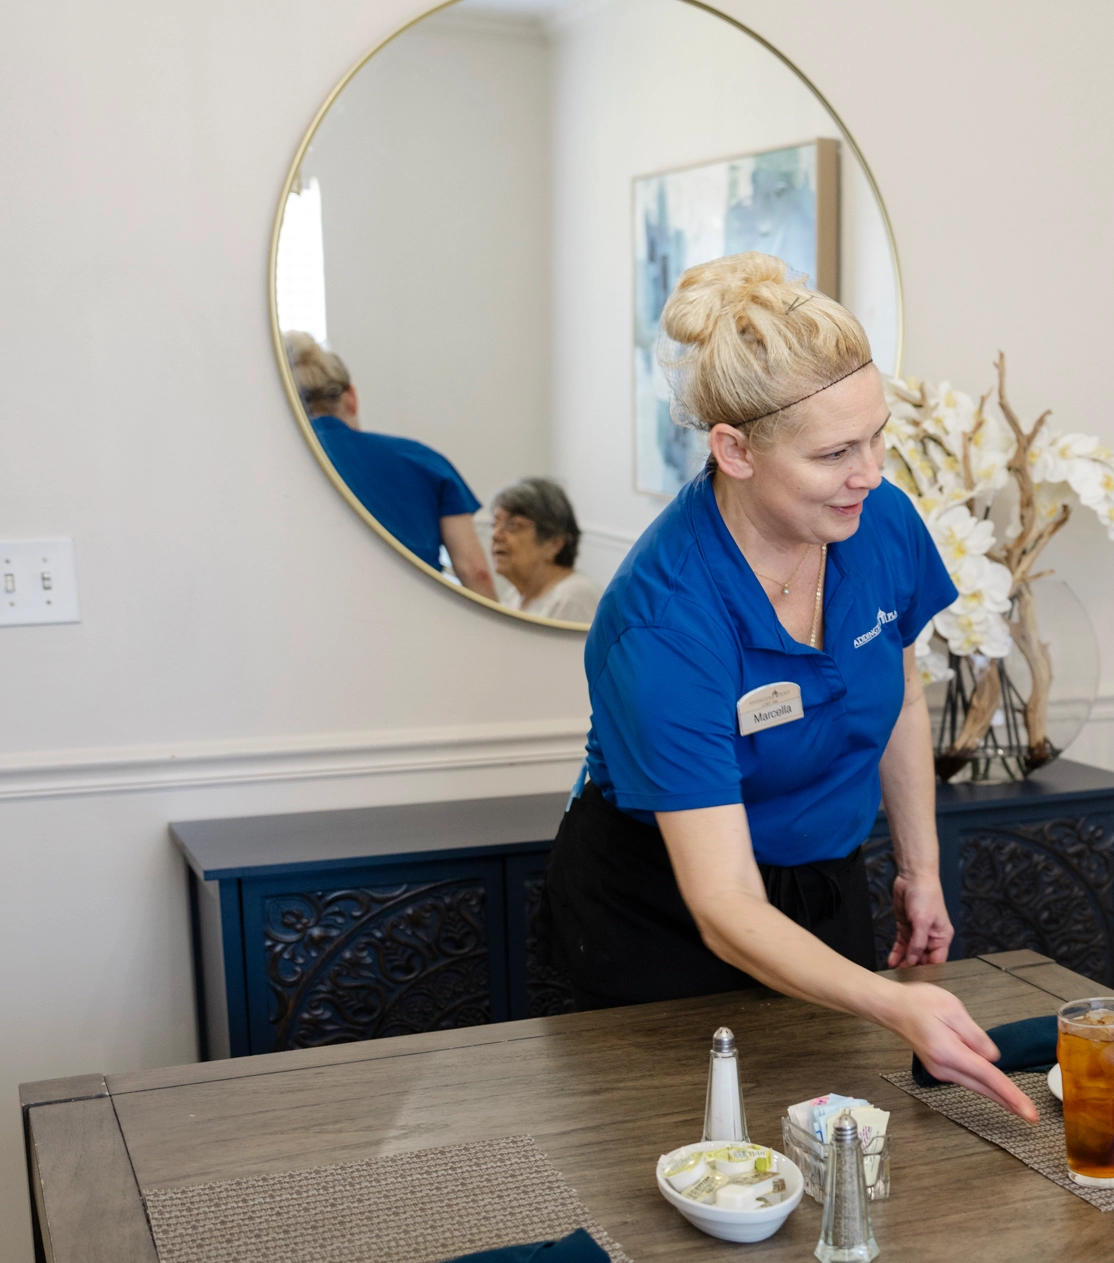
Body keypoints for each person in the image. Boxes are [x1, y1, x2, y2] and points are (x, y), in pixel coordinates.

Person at [541, 253, 1034, 1121]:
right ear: (733, 449)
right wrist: (891, 1000)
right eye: (836, 452)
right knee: (695, 1163)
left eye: (879, 436)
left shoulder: (873, 519)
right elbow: (725, 899)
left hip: (824, 881)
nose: (872, 472)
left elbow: (901, 694)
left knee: (838, 1137)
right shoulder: (663, 622)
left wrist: (920, 869)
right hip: (663, 905)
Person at [284, 331, 496, 598]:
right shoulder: (423, 461)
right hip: (414, 626)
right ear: (351, 397)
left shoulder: (280, 473)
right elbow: (474, 571)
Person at [490, 478, 604, 623]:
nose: (495, 535)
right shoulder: (515, 595)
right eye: (494, 524)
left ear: (554, 543)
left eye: (512, 525)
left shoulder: (573, 599)